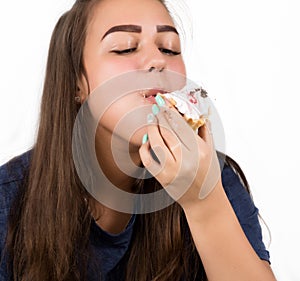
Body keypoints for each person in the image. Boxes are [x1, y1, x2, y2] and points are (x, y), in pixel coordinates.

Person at [0, 0, 276, 280]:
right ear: (77, 82)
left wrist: (204, 202)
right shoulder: (7, 200)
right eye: (126, 48)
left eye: (169, 48)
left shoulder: (213, 177)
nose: (158, 60)